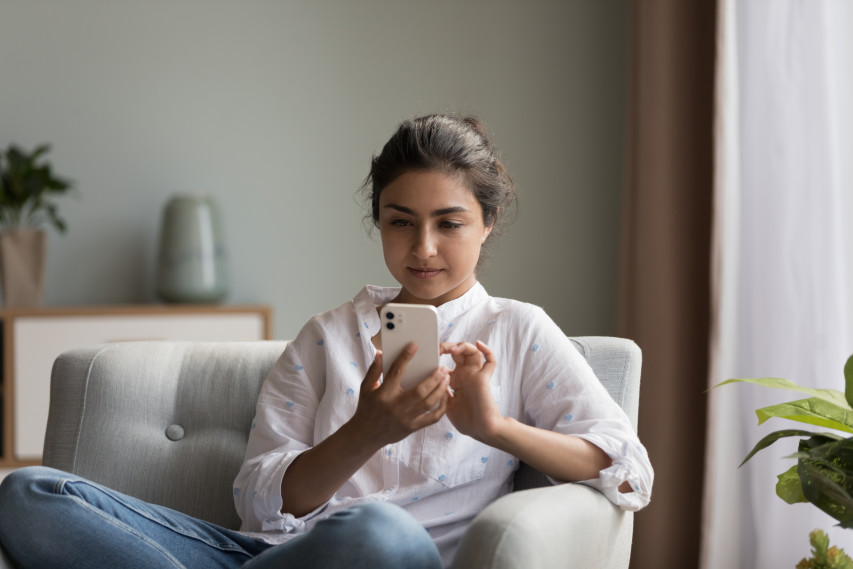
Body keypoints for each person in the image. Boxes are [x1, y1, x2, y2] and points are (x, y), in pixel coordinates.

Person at [0, 114, 652, 569]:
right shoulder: (326, 336)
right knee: (28, 493)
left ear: (488, 222)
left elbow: (625, 469)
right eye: (401, 222)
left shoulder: (517, 329)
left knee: (375, 530)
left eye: (449, 223)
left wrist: (494, 427)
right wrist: (365, 432)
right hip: (272, 557)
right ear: (378, 222)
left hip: (392, 556)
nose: (423, 248)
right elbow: (259, 503)